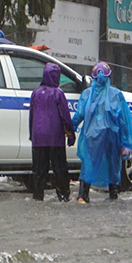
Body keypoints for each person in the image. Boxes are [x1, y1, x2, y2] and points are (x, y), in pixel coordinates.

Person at [71, 61, 132, 203]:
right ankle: (113, 195)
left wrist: (70, 128)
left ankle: (83, 195)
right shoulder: (116, 95)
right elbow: (124, 120)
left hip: (91, 137)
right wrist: (126, 142)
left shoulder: (87, 94)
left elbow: (79, 115)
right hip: (111, 136)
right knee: (113, 165)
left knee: (88, 165)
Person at [29, 62, 76, 201]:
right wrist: (70, 133)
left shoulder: (35, 93)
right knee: (59, 168)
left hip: (38, 138)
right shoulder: (58, 93)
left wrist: (32, 135)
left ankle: (37, 196)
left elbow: (32, 116)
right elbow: (65, 116)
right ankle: (63, 196)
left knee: (38, 171)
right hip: (55, 138)